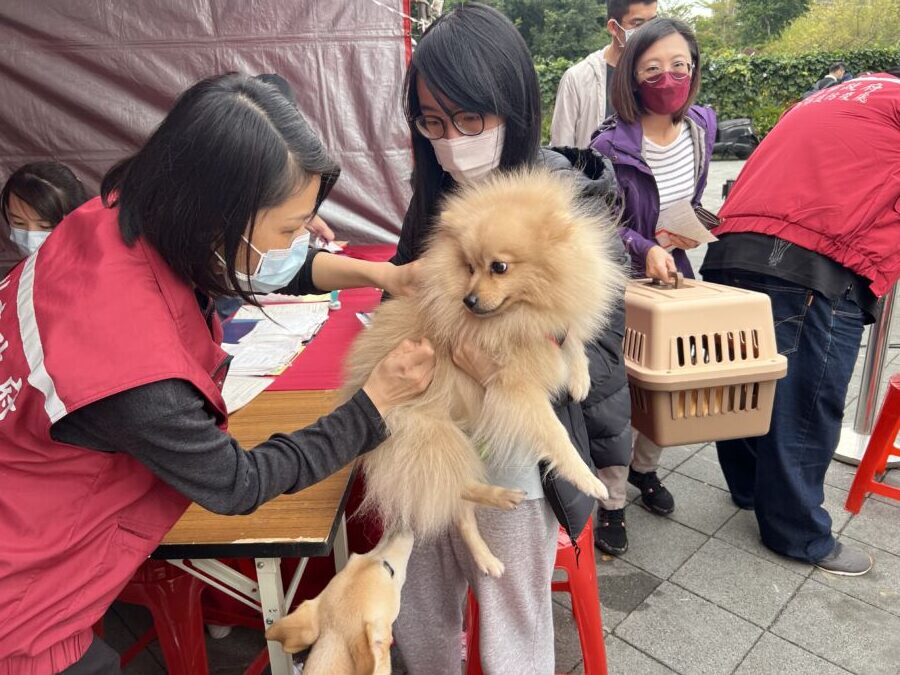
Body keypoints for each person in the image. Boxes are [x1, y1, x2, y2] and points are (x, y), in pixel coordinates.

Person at [0, 73, 440, 674]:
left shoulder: (117, 219)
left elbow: (257, 266)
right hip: (23, 604)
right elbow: (237, 483)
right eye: (289, 229)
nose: (299, 242)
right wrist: (374, 404)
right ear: (215, 215)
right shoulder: (132, 364)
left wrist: (382, 276)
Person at [389, 5, 630, 672]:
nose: (453, 140)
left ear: (514, 108)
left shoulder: (565, 203)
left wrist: (504, 366)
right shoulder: (433, 195)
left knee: (510, 611)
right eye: (433, 123)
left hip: (521, 451)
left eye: (471, 120)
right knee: (416, 597)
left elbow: (601, 358)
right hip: (435, 427)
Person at [700, 69, 900, 576]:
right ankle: (797, 533)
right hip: (812, 261)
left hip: (731, 248)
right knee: (805, 402)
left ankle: (748, 488)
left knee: (741, 378)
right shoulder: (893, 103)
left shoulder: (831, 98)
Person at [589, 18, 716, 553]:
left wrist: (693, 228)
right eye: (654, 69)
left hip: (675, 279)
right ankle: (611, 498)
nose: (670, 78)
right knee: (618, 393)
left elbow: (691, 197)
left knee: (670, 384)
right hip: (622, 284)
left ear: (694, 67)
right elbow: (600, 220)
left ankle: (646, 469)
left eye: (680, 66)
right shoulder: (609, 144)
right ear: (632, 76)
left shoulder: (701, 128)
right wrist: (647, 247)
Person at [550, 0, 657, 148]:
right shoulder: (577, 79)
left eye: (653, 22)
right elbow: (560, 150)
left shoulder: (659, 76)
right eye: (638, 24)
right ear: (613, 27)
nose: (648, 32)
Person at [0, 161, 89, 276]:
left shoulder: (96, 276)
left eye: (45, 226)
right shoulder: (15, 276)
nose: (30, 237)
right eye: (19, 223)